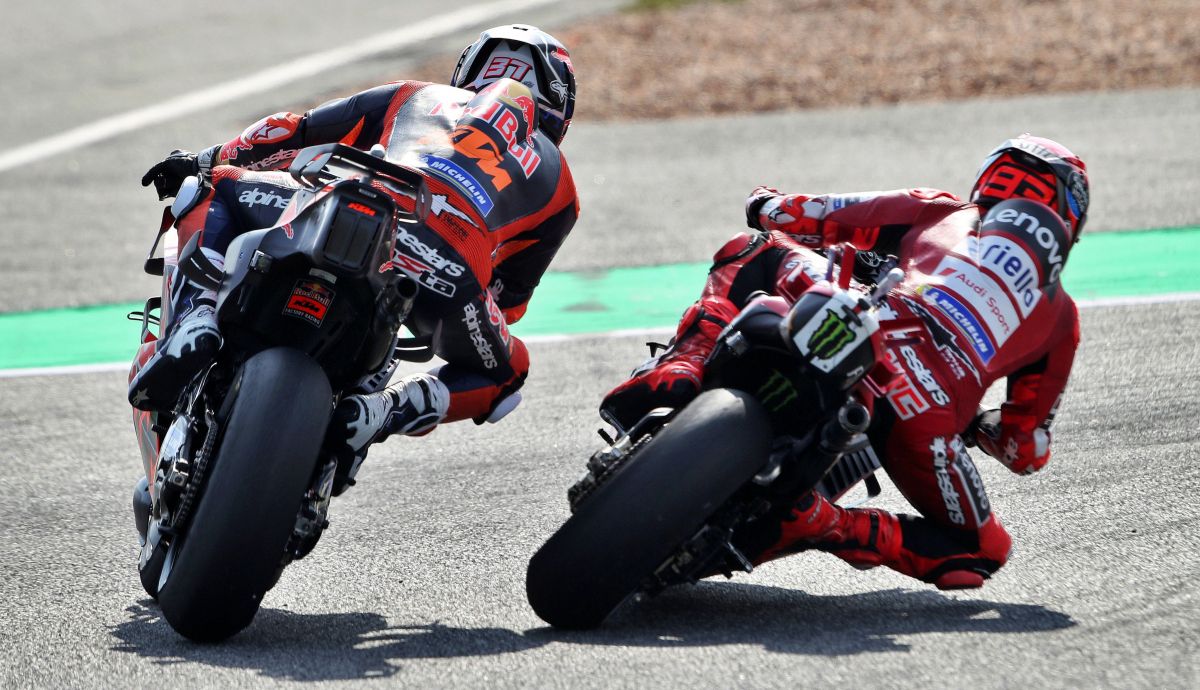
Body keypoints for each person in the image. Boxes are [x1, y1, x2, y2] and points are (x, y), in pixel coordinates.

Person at [600, 134, 1088, 589]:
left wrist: (766, 203)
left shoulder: (944, 211)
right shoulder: (1061, 318)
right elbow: (1025, 451)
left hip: (869, 326)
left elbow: (812, 215)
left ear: (990, 178)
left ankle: (683, 365)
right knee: (981, 551)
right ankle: (828, 523)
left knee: (755, 249)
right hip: (923, 414)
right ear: (1069, 221)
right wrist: (981, 426)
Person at [130, 24, 578, 487]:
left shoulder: (416, 94)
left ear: (467, 70)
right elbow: (508, 305)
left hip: (347, 206)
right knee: (507, 373)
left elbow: (289, 131)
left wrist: (206, 159)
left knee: (211, 186)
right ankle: (380, 411)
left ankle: (196, 318)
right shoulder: (560, 185)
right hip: (444, 267)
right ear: (560, 106)